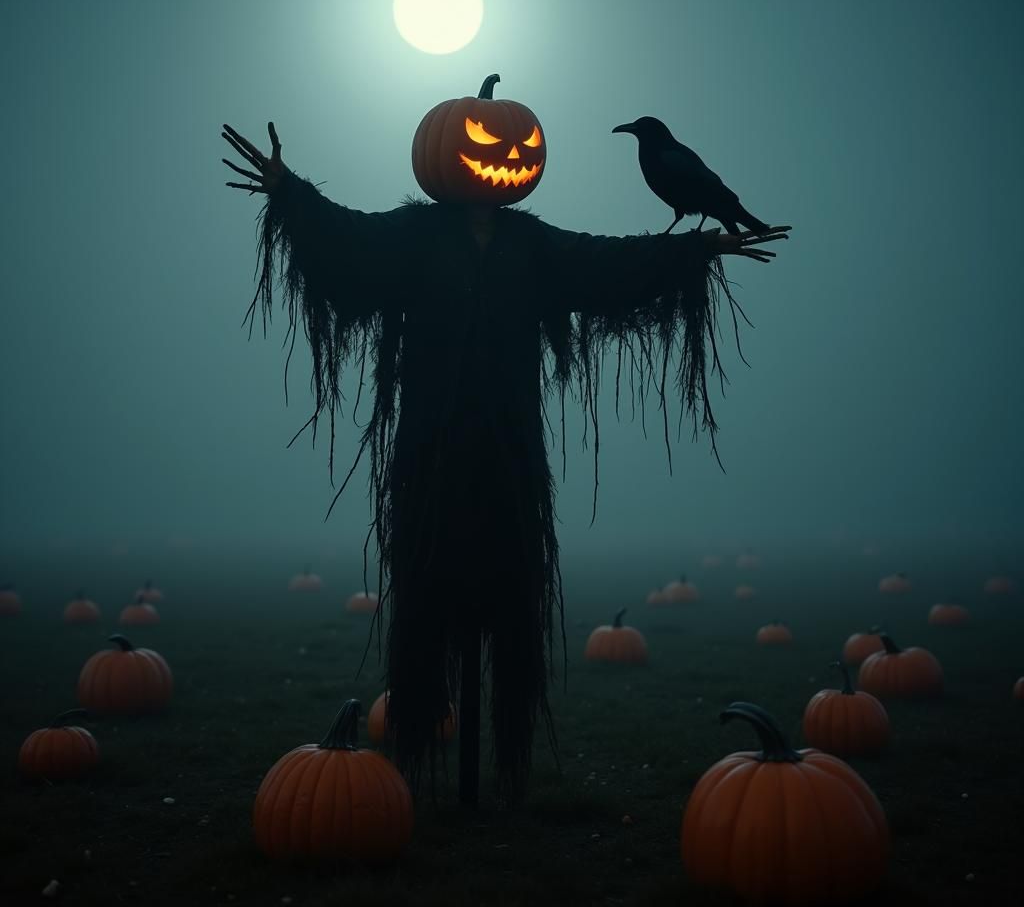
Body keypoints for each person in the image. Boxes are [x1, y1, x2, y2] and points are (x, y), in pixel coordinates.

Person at [222, 117, 788, 804]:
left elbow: (603, 262)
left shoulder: (533, 244)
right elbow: (349, 240)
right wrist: (290, 192)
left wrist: (699, 248)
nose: (504, 156)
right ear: (444, 158)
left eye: (517, 145)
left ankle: (506, 755)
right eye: (482, 144)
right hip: (429, 452)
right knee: (430, 597)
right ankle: (425, 749)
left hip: (511, 454)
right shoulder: (414, 235)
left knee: (511, 604)